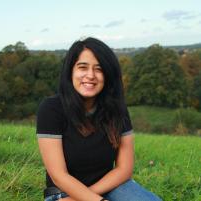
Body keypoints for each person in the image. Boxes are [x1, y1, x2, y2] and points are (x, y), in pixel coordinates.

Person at [36, 37, 162, 201]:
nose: (90, 75)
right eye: (82, 67)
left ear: (108, 74)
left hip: (110, 186)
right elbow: (59, 175)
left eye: (99, 69)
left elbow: (124, 169)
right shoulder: (51, 109)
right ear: (70, 71)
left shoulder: (118, 110)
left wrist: (94, 196)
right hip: (63, 194)